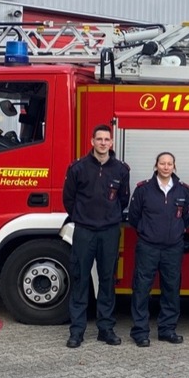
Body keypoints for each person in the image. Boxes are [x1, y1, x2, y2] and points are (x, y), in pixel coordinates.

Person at [62, 124, 131, 349]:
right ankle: (77, 331)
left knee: (107, 279)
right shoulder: (78, 168)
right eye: (99, 139)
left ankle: (106, 329)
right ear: (92, 141)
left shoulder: (121, 169)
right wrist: (81, 218)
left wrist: (109, 218)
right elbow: (69, 199)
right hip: (84, 231)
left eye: (106, 140)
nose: (103, 143)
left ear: (112, 143)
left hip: (110, 231)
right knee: (81, 279)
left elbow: (123, 199)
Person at [126, 152, 189, 347]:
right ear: (156, 166)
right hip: (148, 247)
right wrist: (148, 233)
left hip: (173, 248)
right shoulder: (143, 190)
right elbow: (134, 217)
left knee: (171, 289)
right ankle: (140, 331)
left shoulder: (182, 191)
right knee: (141, 289)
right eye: (162, 163)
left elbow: (186, 216)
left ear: (174, 166)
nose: (165, 167)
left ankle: (167, 330)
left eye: (169, 164)